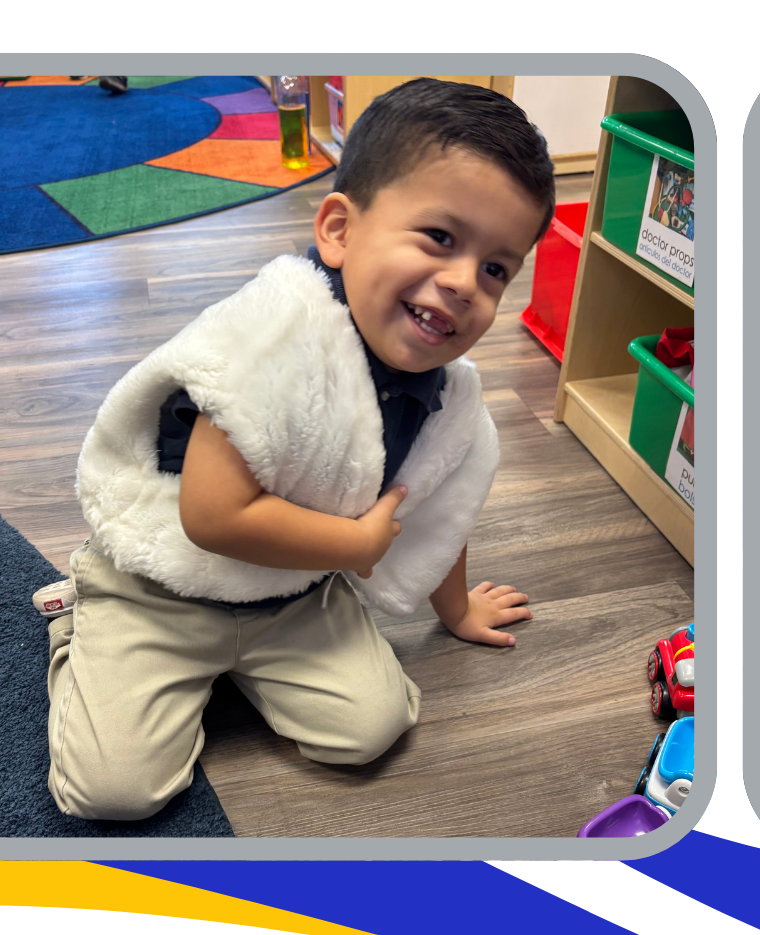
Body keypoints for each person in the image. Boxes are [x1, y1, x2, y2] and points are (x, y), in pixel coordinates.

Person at [48, 78, 551, 820]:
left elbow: (444, 503)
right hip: (164, 589)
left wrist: (455, 609)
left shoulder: (449, 394)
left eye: (496, 268)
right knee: (113, 792)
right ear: (339, 230)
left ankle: (236, 667)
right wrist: (354, 542)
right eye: (440, 238)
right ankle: (82, 618)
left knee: (373, 727)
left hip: (292, 594)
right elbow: (212, 518)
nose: (462, 283)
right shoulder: (268, 343)